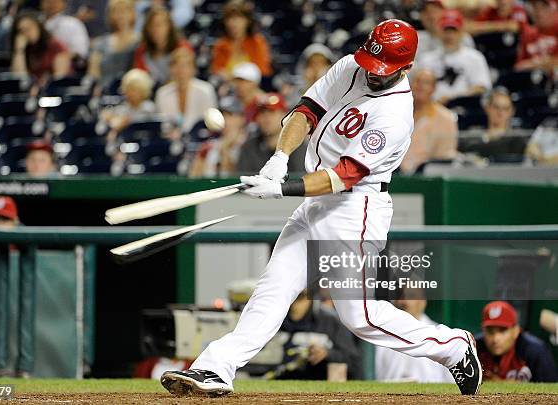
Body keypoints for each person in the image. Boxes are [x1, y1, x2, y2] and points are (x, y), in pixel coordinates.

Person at [161, 19, 482, 397]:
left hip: (355, 208)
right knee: (274, 288)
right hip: (317, 199)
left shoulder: (395, 114)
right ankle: (215, 367)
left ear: (406, 67)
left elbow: (345, 175)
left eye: (382, 70)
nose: (371, 73)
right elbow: (306, 110)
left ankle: (453, 347)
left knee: (359, 317)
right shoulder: (352, 65)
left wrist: (283, 188)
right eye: (370, 62)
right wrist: (280, 157)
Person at [268, 292, 362, 380]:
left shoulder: (331, 320)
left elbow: (354, 362)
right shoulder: (270, 317)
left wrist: (327, 354)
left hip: (317, 389)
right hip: (270, 386)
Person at [375, 288, 454, 382]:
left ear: (422, 301)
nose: (402, 302)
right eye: (398, 296)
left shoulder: (441, 336)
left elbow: (452, 385)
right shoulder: (381, 335)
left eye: (409, 296)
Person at [418, 9, 492, 104]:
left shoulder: (475, 57)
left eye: (453, 31)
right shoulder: (426, 60)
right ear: (439, 32)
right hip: (432, 108)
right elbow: (418, 88)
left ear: (461, 33)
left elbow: (482, 87)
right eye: (446, 31)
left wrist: (452, 98)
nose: (449, 36)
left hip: (465, 107)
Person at [476, 301, 558, 382]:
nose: (495, 338)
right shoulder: (473, 348)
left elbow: (552, 388)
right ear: (483, 331)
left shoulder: (535, 351)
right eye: (490, 331)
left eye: (503, 331)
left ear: (516, 331)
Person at [400, 69, 458, 174]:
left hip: (427, 175)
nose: (420, 86)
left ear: (433, 88)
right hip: (394, 174)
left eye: (426, 83)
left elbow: (445, 156)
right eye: (417, 81)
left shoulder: (446, 118)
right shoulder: (398, 113)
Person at [236, 93, 305, 174]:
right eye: (262, 113)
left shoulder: (299, 146)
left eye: (272, 112)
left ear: (285, 115)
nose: (266, 118)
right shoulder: (249, 147)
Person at [155, 48, 217, 133]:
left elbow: (211, 123)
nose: (181, 71)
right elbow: (163, 125)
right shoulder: (162, 94)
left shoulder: (206, 91)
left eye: (185, 66)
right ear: (171, 70)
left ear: (193, 69)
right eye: (176, 66)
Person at [459, 87, 528, 162]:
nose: (500, 113)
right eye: (496, 107)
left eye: (506, 108)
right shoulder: (472, 134)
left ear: (512, 111)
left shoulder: (517, 138)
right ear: (487, 108)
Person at [211, 0, 272, 78]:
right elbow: (216, 71)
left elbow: (263, 71)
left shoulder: (257, 42)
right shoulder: (220, 45)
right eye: (229, 18)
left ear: (248, 20)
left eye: (238, 18)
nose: (232, 23)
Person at [187, 96, 246, 178]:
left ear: (242, 118)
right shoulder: (208, 147)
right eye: (222, 115)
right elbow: (193, 179)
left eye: (230, 115)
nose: (225, 119)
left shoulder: (251, 145)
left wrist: (225, 148)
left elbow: (238, 178)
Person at [87, 0, 139, 88]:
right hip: (104, 92)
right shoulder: (100, 43)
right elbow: (93, 72)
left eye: (125, 11)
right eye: (116, 11)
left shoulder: (141, 42)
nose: (121, 15)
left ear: (132, 13)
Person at [133, 8, 191, 86]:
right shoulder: (141, 51)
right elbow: (140, 78)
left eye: (159, 25)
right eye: (152, 26)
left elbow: (187, 73)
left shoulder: (182, 47)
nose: (156, 29)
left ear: (169, 27)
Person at [10, 12, 71, 84]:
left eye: (29, 28)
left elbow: (59, 78)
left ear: (38, 26)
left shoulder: (56, 46)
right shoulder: (26, 49)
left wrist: (40, 87)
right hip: (30, 90)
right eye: (22, 30)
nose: (27, 33)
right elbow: (19, 78)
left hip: (53, 90)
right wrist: (19, 51)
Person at [514, 0, 558, 73]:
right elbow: (518, 66)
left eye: (544, 7)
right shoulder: (528, 34)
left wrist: (534, 63)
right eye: (535, 7)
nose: (538, 12)